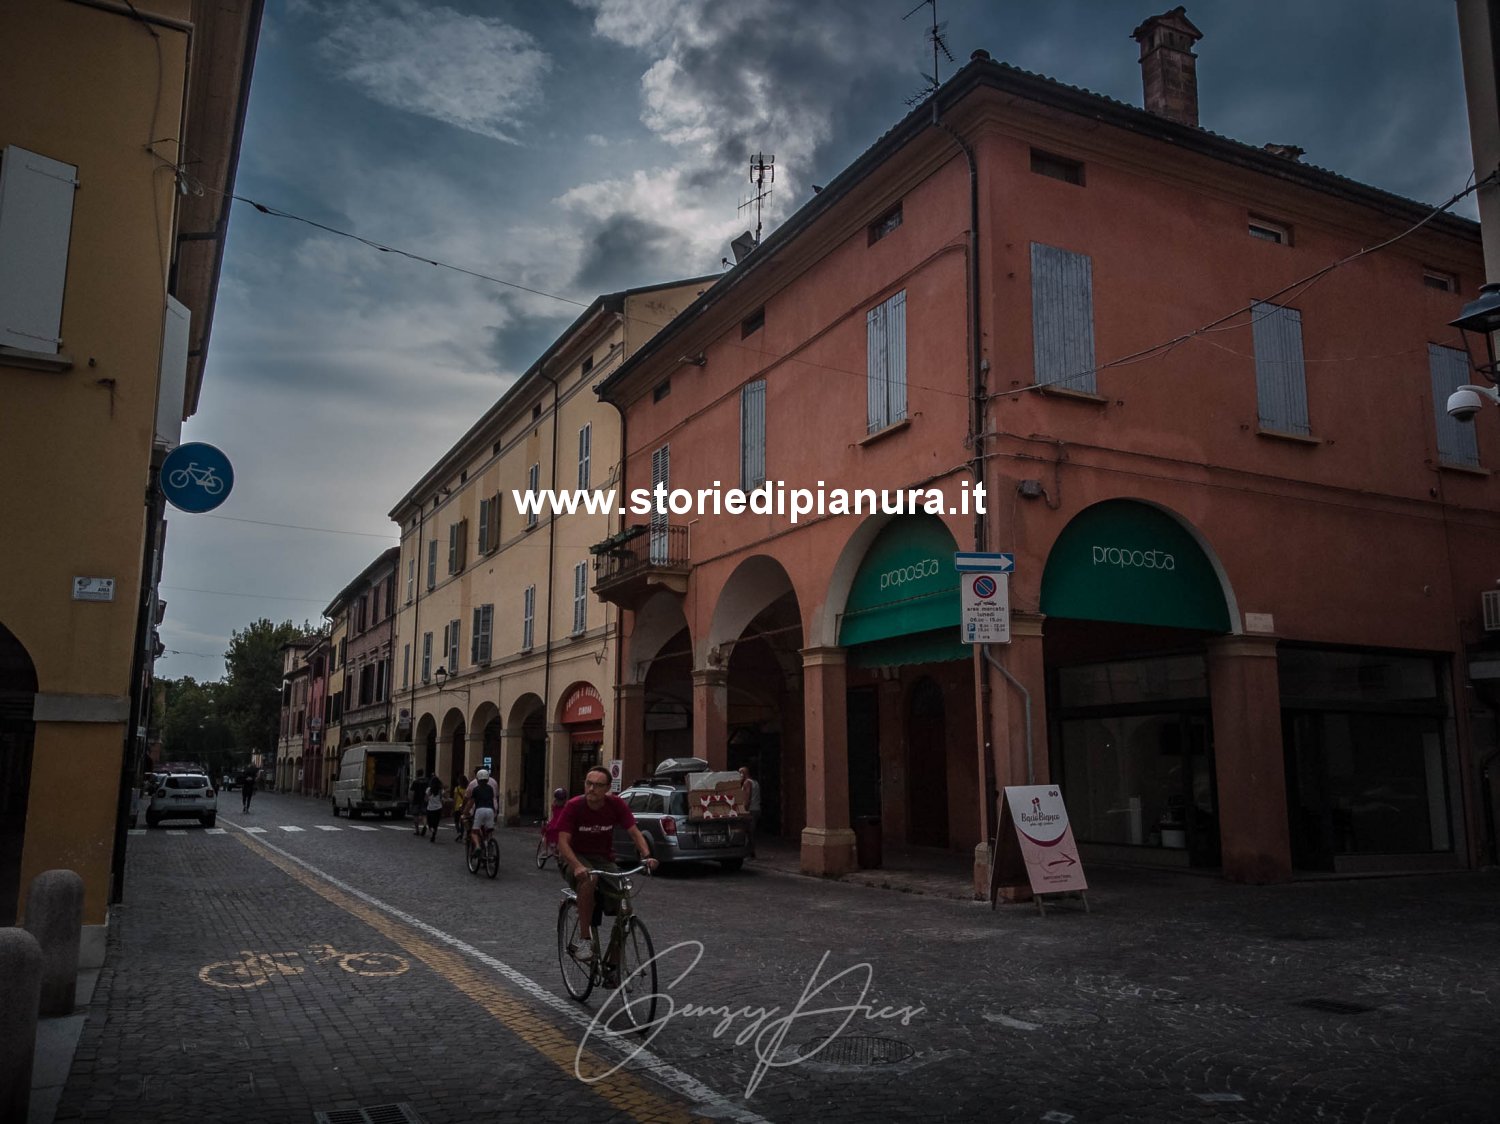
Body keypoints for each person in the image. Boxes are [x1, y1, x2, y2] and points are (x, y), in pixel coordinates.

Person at [556, 767, 657, 962]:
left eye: (598, 785)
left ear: (608, 788)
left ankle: (614, 963)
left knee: (625, 909)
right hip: (574, 856)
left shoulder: (616, 805)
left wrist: (647, 856)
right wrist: (577, 866)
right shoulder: (574, 806)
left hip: (603, 859)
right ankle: (585, 939)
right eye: (588, 783)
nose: (592, 789)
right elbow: (562, 842)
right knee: (589, 879)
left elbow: (634, 832)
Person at [465, 768, 500, 852]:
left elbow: (470, 803)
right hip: (491, 811)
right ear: (487, 779)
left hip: (480, 810)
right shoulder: (490, 789)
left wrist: (465, 812)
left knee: (474, 832)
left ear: (477, 779)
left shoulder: (476, 789)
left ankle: (477, 846)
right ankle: (488, 846)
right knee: (488, 831)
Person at [739, 765, 761, 856]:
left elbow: (747, 797)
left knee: (748, 831)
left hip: (750, 809)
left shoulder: (747, 783)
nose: (739, 776)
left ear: (743, 774)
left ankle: (750, 852)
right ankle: (751, 851)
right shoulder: (755, 782)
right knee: (751, 831)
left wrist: (744, 810)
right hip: (757, 809)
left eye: (740, 773)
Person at [542, 786, 569, 858]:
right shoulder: (566, 806)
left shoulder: (554, 805)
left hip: (554, 824)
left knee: (546, 835)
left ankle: (545, 851)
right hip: (560, 824)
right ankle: (550, 850)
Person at [424, 774, 445, 843]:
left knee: (430, 822)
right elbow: (442, 799)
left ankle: (431, 829)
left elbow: (426, 799)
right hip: (438, 808)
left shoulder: (429, 790)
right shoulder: (441, 790)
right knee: (436, 823)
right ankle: (434, 834)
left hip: (430, 808)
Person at [409, 770, 428, 835]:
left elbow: (412, 792)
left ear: (417, 774)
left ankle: (417, 830)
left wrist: (411, 800)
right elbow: (428, 792)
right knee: (424, 815)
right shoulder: (426, 782)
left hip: (416, 801)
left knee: (415, 815)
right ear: (423, 774)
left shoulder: (415, 782)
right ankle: (425, 825)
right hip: (424, 801)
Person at [451, 773, 469, 842]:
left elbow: (455, 798)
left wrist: (453, 807)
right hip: (464, 807)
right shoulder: (467, 788)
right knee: (462, 822)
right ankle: (461, 834)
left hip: (457, 807)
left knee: (456, 821)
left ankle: (459, 832)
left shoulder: (457, 788)